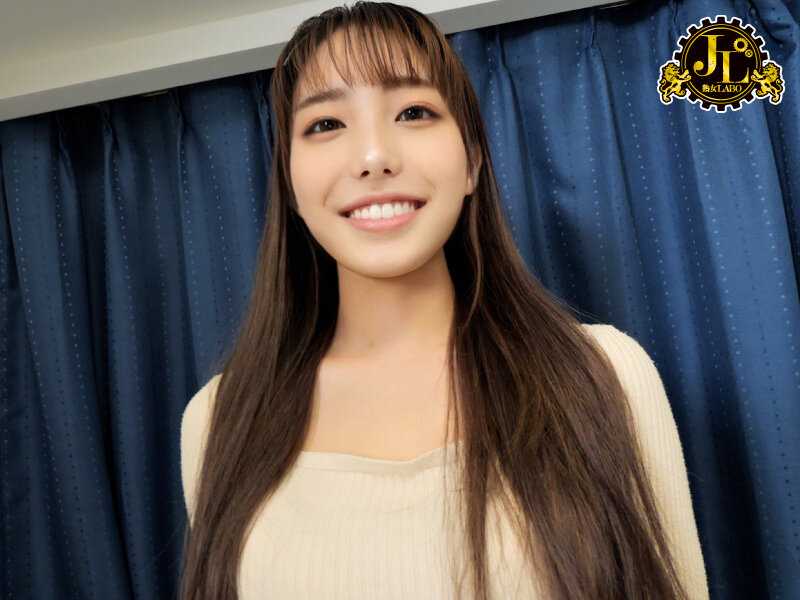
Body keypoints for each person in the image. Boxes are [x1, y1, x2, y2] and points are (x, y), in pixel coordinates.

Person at [178, 2, 709, 599]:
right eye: (325, 124)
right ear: (290, 186)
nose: (373, 157)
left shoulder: (605, 373)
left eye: (413, 112)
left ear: (473, 162)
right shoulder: (217, 420)